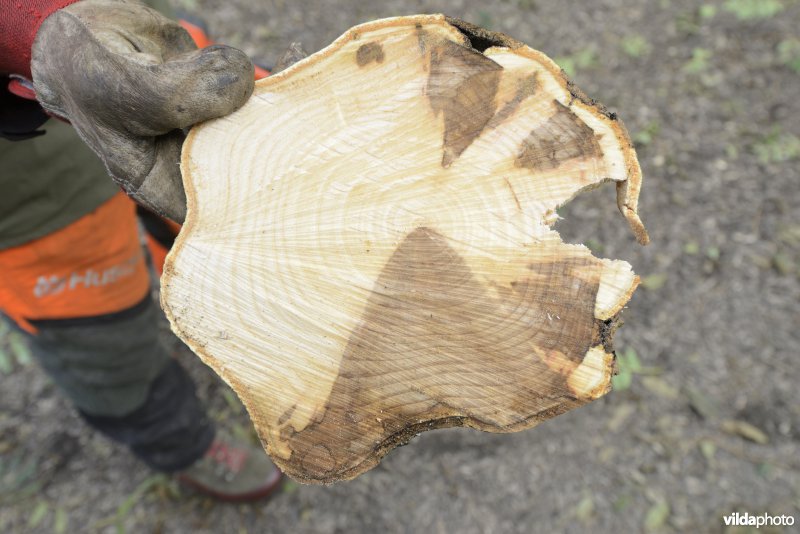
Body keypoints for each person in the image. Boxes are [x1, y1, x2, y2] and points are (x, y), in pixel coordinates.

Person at [0, 0, 284, 501]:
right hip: (25, 197)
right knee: (100, 340)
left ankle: (218, 328)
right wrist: (23, 27)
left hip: (118, 59)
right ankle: (182, 446)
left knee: (206, 218)